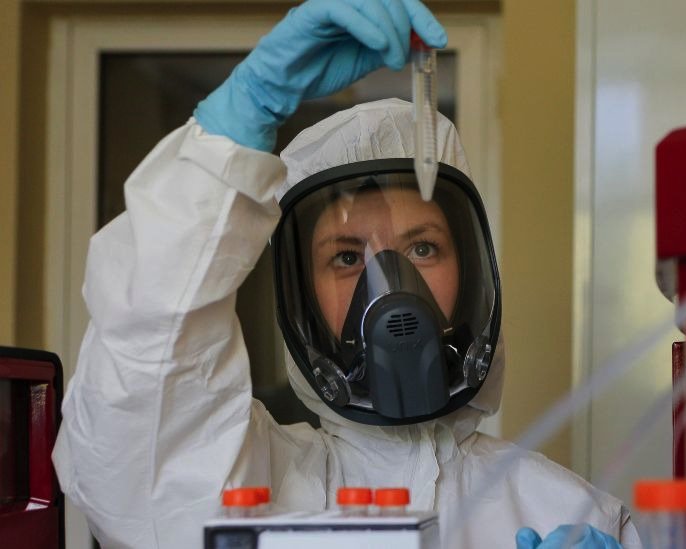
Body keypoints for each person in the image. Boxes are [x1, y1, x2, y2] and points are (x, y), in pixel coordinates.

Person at [52, 1, 640, 548]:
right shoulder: (248, 489)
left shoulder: (575, 515)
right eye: (347, 257)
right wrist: (233, 134)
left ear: (476, 275)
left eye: (424, 248)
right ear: (302, 296)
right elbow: (134, 440)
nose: (390, 287)